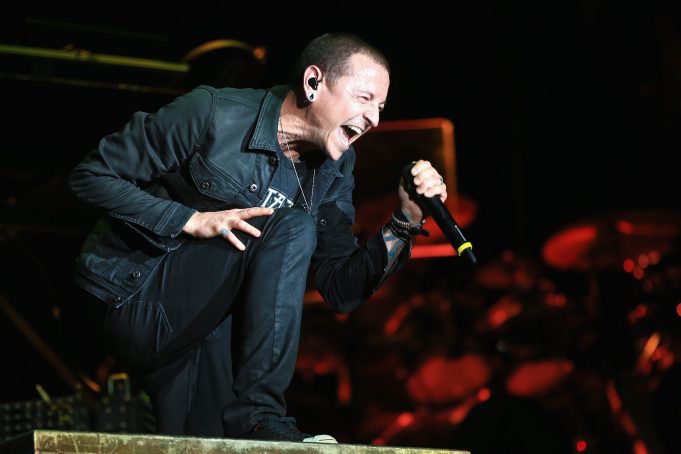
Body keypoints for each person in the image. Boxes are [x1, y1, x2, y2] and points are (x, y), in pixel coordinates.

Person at [68, 32, 447, 442]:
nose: (374, 118)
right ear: (313, 82)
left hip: (205, 336)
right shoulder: (213, 112)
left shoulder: (335, 170)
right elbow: (92, 176)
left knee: (208, 447)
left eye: (381, 107)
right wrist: (189, 219)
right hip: (138, 297)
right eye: (364, 98)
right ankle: (259, 412)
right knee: (293, 224)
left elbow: (341, 290)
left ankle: (256, 427)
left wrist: (406, 220)